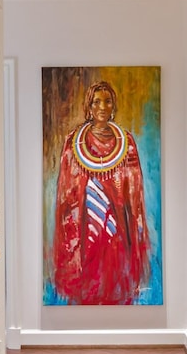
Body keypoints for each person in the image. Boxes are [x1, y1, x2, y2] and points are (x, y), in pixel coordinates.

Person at [52, 80, 150, 304]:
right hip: (84, 223)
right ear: (89, 106)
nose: (102, 107)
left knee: (113, 267)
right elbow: (68, 185)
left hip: (116, 223)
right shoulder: (73, 142)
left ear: (113, 106)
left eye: (107, 101)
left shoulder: (126, 142)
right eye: (97, 102)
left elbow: (133, 185)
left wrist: (113, 191)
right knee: (87, 272)